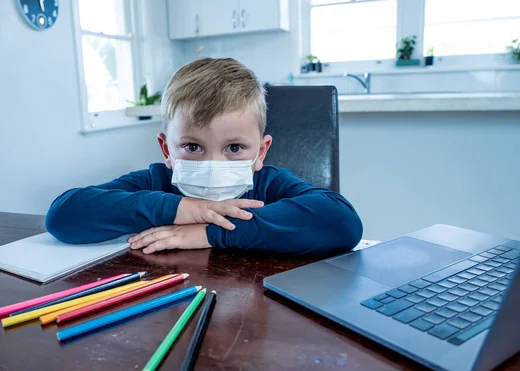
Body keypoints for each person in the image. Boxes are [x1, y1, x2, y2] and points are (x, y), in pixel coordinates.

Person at [46, 58, 362, 256]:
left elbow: (342, 223)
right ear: (167, 150)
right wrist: (182, 208)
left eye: (235, 148)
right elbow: (63, 215)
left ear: (260, 151)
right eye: (193, 147)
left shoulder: (269, 184)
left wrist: (212, 231)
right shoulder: (156, 181)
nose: (214, 165)